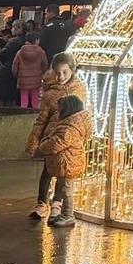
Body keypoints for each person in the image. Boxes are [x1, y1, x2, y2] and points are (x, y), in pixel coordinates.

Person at [25, 53, 87, 219]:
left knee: (63, 171)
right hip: (52, 138)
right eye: (58, 73)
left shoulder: (79, 90)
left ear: (72, 70)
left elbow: (83, 114)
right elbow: (41, 120)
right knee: (47, 170)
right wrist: (35, 140)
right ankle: (41, 202)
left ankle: (57, 204)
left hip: (69, 138)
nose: (60, 77)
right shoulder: (49, 94)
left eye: (65, 73)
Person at [38, 93, 88, 228]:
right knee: (65, 189)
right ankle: (65, 214)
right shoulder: (70, 125)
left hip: (68, 164)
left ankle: (68, 215)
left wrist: (43, 144)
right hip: (65, 163)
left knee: (67, 191)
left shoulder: (68, 129)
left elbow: (55, 144)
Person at [13, 32, 49, 111]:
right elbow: (45, 65)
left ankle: (22, 116)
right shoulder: (41, 52)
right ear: (37, 41)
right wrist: (41, 74)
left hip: (23, 80)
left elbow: (14, 67)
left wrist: (17, 76)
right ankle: (33, 117)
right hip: (36, 80)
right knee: (35, 100)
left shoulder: (20, 52)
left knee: (24, 100)